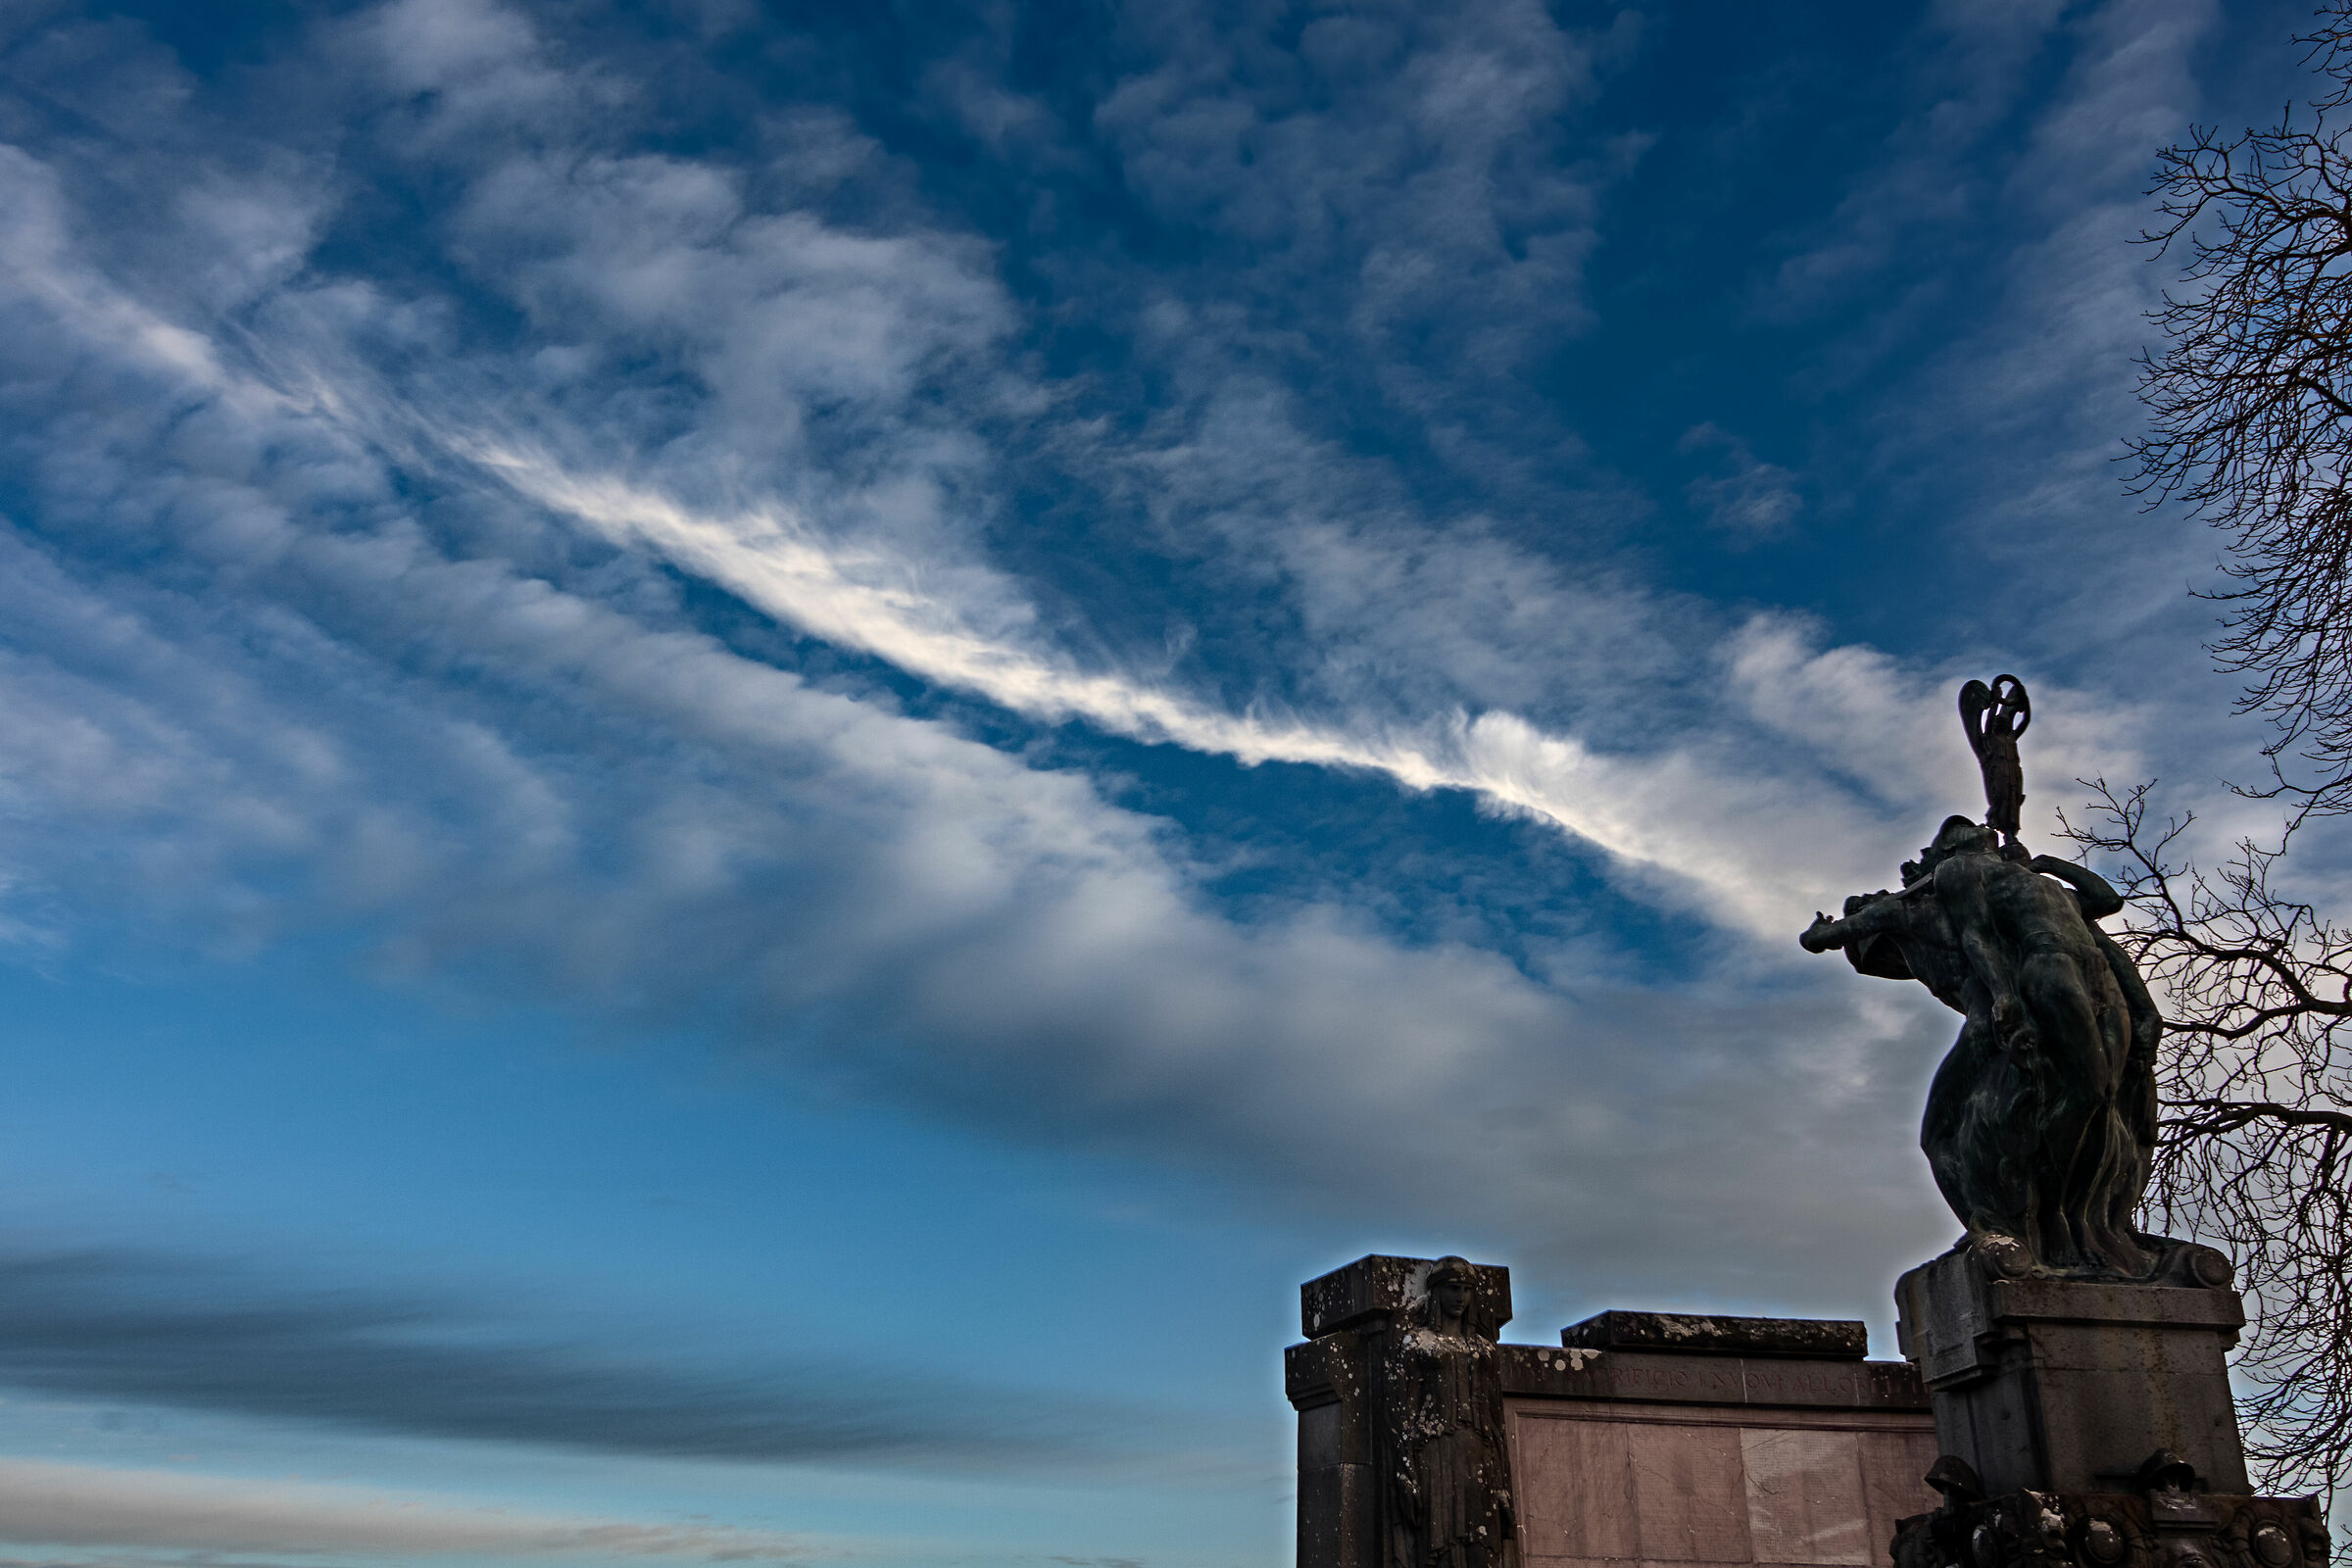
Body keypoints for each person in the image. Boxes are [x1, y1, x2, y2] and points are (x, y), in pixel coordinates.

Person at [1803, 817, 2158, 1276]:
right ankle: (2047, 1221)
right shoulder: (2035, 894)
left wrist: (1826, 928)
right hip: (2085, 995)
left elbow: (1824, 939)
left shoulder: (1918, 905)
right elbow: (2106, 931)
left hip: (2009, 1013)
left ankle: (2031, 1221)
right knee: (2089, 1100)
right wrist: (2146, 1011)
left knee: (1951, 1131)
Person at [1385, 1258, 1516, 1568]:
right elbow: (1402, 1411)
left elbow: (1496, 1422)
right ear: (1436, 1292)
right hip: (1434, 1454)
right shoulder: (1417, 1342)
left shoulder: (1484, 1349)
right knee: (1439, 1550)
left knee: (1482, 1550)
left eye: (1467, 1290)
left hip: (1478, 1453)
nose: (1460, 1297)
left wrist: (1502, 1486)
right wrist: (1406, 1471)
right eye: (1453, 1289)